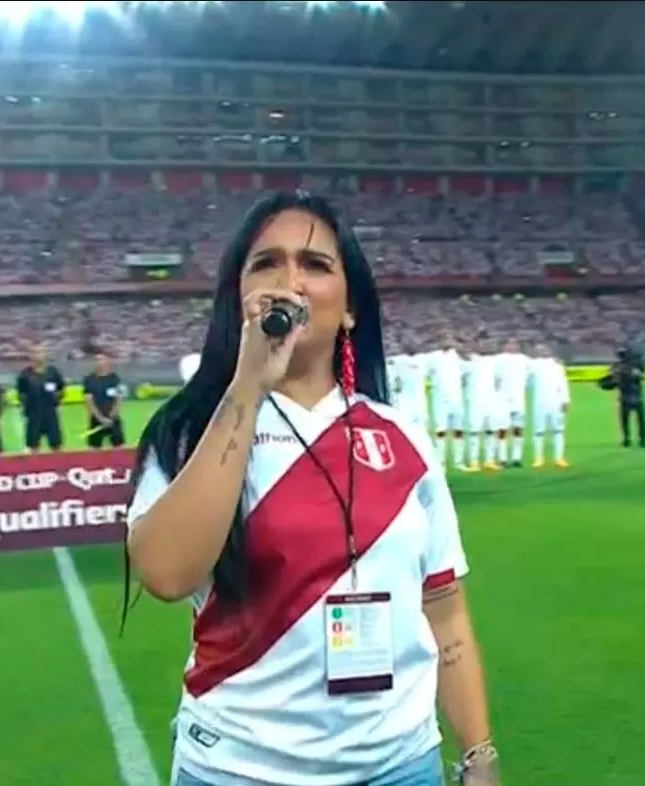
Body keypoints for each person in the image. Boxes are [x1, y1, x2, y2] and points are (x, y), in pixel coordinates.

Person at [126, 192, 499, 786]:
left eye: (316, 265)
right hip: (237, 768)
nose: (290, 281)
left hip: (401, 766)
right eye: (266, 263)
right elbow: (166, 574)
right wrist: (249, 383)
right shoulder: (189, 430)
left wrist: (479, 755)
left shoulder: (403, 439)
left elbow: (446, 614)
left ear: (350, 308)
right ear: (238, 299)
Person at [427, 333, 467, 470]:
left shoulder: (457, 357)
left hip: (457, 398)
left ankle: (459, 462)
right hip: (440, 400)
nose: (447, 341)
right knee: (440, 431)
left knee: (458, 431)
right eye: (444, 339)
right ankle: (440, 462)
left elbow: (468, 372)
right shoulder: (432, 357)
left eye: (450, 339)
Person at [16, 344, 66, 453]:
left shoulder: (53, 372)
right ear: (30, 356)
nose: (37, 355)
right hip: (34, 416)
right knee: (33, 447)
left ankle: (60, 468)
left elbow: (62, 389)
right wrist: (27, 406)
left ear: (45, 355)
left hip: (51, 414)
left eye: (40, 352)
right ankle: (34, 469)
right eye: (34, 352)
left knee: (57, 446)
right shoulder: (25, 375)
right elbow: (21, 394)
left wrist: (57, 398)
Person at [528, 344, 570, 468]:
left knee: (558, 430)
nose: (542, 351)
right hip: (539, 402)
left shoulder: (557, 366)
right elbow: (528, 382)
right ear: (534, 352)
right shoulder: (532, 365)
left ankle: (559, 458)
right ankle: (538, 458)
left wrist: (565, 399)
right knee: (538, 431)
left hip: (556, 402)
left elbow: (563, 383)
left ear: (549, 350)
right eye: (538, 350)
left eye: (544, 349)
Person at [464, 339, 501, 472]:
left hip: (491, 401)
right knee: (474, 432)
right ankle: (474, 461)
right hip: (475, 401)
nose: (485, 346)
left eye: (488, 344)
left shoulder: (496, 361)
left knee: (491, 431)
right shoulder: (471, 361)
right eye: (483, 343)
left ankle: (489, 460)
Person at [600, 346, 645, 447]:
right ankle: (642, 440)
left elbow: (611, 381)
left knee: (625, 419)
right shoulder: (634, 366)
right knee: (639, 419)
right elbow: (642, 375)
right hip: (635, 393)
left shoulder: (617, 367)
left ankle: (628, 439)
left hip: (626, 394)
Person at [494, 339, 531, 468]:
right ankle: (502, 458)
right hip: (502, 399)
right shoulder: (497, 359)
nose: (512, 346)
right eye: (509, 343)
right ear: (504, 345)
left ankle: (517, 458)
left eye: (515, 343)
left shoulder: (525, 360)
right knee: (502, 430)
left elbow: (534, 372)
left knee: (518, 429)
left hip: (519, 400)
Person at [82, 350, 127, 449]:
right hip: (96, 419)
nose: (98, 362)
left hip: (113, 419)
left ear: (108, 361)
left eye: (101, 359)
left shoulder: (115, 379)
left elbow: (119, 398)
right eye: (97, 360)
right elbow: (88, 401)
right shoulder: (89, 380)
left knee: (119, 448)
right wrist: (100, 418)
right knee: (94, 449)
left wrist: (113, 415)